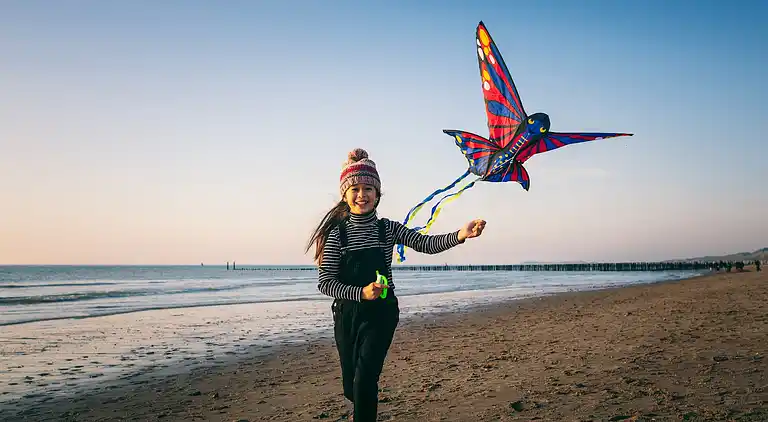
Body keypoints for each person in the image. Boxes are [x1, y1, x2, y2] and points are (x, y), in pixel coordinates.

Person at [306, 148, 486, 421]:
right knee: (352, 387)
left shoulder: (387, 229)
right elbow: (325, 282)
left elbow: (425, 243)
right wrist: (360, 293)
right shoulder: (337, 235)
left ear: (378, 194)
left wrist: (461, 234)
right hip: (347, 316)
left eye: (369, 188)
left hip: (382, 313)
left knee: (365, 381)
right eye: (355, 188)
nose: (362, 194)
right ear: (345, 194)